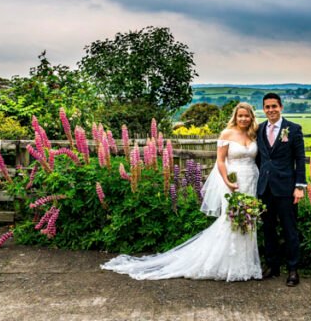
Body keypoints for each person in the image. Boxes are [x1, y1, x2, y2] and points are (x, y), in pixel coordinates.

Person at [101, 102, 262, 281]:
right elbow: (221, 161)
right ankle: (227, 265)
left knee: (248, 221)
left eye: (247, 116)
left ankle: (246, 265)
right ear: (235, 116)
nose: (243, 119)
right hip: (233, 182)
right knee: (231, 220)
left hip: (251, 181)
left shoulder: (253, 134)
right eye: (240, 116)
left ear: (251, 117)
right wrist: (227, 181)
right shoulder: (226, 133)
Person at [255, 92, 307, 286]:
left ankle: (293, 270)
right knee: (268, 229)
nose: (271, 110)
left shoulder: (293, 129)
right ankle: (272, 266)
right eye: (267, 107)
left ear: (281, 107)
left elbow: (300, 159)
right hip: (264, 189)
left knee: (289, 230)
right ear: (264, 109)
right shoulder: (259, 129)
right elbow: (259, 159)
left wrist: (299, 186)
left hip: (286, 189)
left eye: (274, 106)